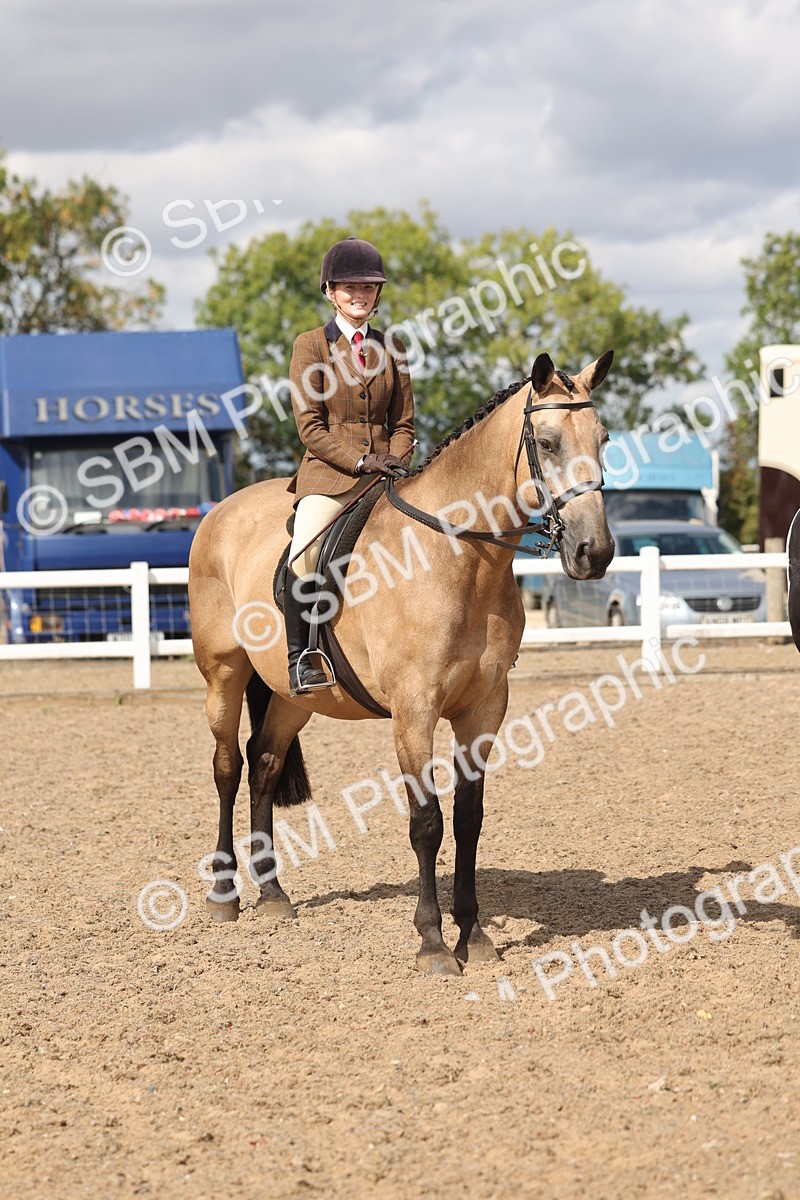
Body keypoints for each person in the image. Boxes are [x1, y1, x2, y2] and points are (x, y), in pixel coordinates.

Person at [285, 236, 416, 696]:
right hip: (331, 475)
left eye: (368, 287)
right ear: (330, 291)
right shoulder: (310, 346)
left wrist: (394, 460)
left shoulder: (393, 348)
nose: (360, 295)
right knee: (305, 552)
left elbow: (404, 423)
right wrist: (360, 460)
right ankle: (302, 658)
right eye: (350, 287)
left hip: (386, 473)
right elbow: (310, 426)